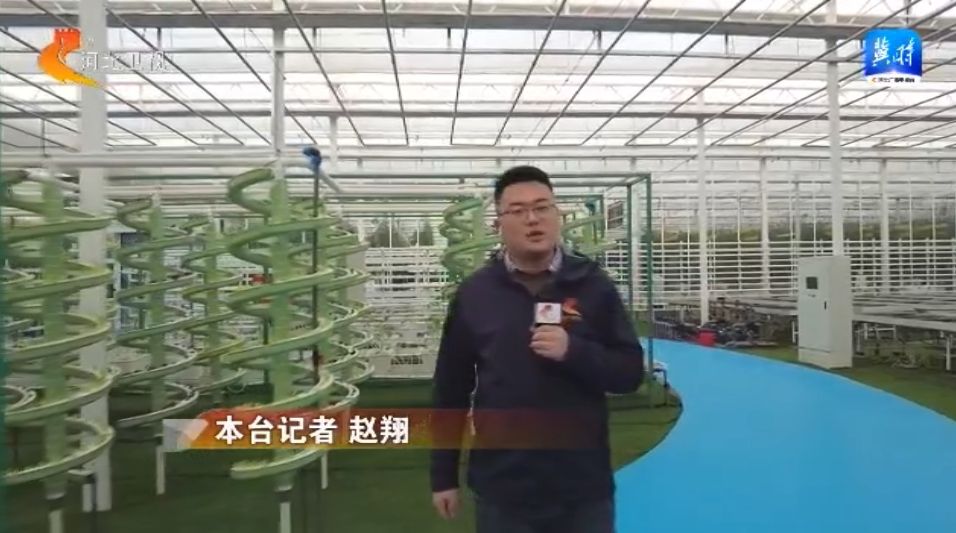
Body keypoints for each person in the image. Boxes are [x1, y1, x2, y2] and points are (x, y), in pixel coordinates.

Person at [429, 165, 646, 533]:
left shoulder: (593, 285)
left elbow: (629, 372)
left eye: (542, 207)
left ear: (557, 215)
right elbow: (451, 388)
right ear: (499, 223)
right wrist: (443, 475)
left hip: (582, 488)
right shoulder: (476, 294)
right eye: (518, 210)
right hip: (503, 489)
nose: (532, 219)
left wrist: (573, 351)